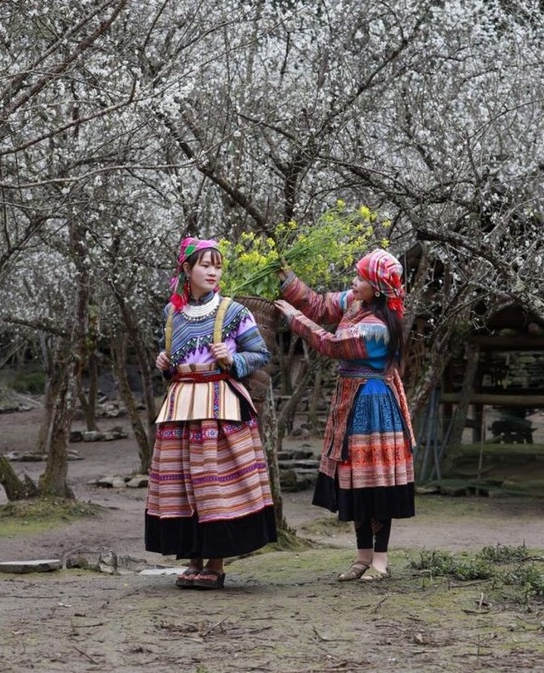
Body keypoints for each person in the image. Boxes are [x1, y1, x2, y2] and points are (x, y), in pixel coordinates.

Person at [274, 247, 415, 582]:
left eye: (360, 278)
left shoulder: (377, 327)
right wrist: (286, 279)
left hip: (374, 404)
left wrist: (295, 319)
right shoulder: (356, 303)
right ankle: (363, 556)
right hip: (353, 403)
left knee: (376, 479)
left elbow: (332, 344)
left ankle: (380, 559)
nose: (353, 282)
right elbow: (321, 305)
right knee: (355, 478)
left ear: (377, 287)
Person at [145, 236, 277, 589]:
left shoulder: (234, 312)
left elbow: (260, 355)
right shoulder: (172, 313)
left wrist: (232, 359)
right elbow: (175, 361)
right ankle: (192, 561)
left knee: (214, 481)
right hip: (180, 406)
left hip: (219, 408)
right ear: (186, 269)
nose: (213, 271)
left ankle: (215, 565)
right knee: (184, 481)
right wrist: (165, 364)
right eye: (205, 264)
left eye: (217, 266)